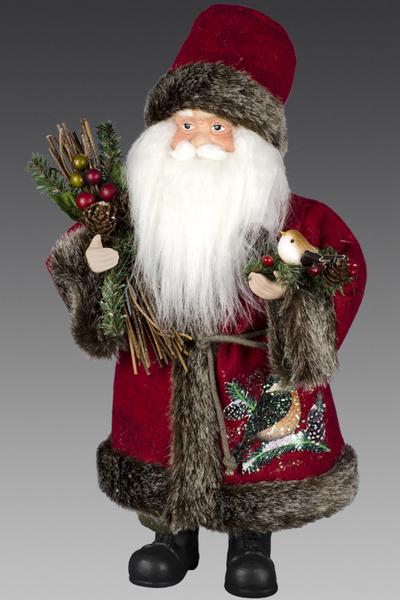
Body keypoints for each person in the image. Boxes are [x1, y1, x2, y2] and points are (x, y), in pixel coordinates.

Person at [46, 5, 367, 598]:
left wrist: (290, 299)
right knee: (161, 454)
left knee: (253, 462)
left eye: (217, 128)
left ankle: (250, 540)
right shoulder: (132, 218)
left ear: (254, 145)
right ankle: (173, 536)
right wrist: (94, 268)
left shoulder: (299, 220)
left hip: (251, 375)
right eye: (185, 123)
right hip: (158, 370)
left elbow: (342, 274)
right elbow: (83, 280)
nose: (194, 141)